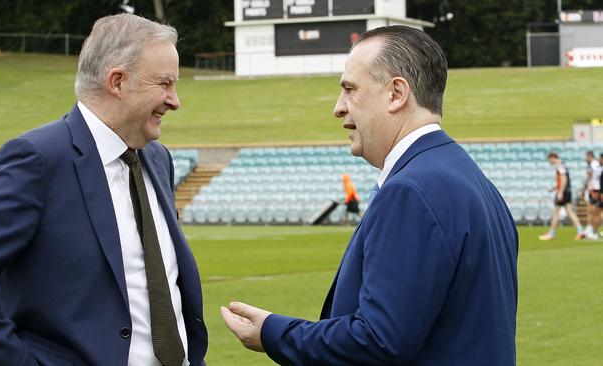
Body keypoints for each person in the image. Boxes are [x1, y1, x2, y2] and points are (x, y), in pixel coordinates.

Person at [221, 25, 518, 365]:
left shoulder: (410, 191)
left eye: (349, 89)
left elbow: (379, 341)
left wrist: (273, 333)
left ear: (396, 93)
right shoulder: (470, 178)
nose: (338, 107)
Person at [0, 14, 207, 366]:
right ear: (117, 81)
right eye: (165, 83)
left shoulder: (157, 159)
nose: (174, 100)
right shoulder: (39, 158)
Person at [539, 152, 585, 240]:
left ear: (553, 157)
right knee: (570, 212)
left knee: (556, 212)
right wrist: (554, 188)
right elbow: (563, 180)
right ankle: (580, 231)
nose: (550, 162)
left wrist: (560, 192)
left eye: (550, 160)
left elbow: (564, 179)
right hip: (567, 191)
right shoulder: (563, 165)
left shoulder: (559, 165)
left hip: (563, 193)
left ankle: (551, 233)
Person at [579, 151, 601, 239]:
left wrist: (583, 189)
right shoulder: (597, 164)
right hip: (597, 189)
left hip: (594, 190)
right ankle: (590, 229)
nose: (585, 158)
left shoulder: (592, 164)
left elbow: (589, 176)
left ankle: (592, 231)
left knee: (593, 211)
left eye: (586, 156)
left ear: (589, 156)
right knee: (593, 211)